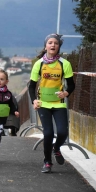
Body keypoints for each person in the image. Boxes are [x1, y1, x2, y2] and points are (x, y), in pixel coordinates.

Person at [28, 33, 75, 173]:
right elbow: (31, 86)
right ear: (45, 46)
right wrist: (34, 100)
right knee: (48, 133)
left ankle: (56, 148)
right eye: (50, 42)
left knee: (62, 132)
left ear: (59, 46)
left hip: (59, 103)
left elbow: (71, 85)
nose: (53, 45)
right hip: (43, 104)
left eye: (55, 43)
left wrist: (66, 93)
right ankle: (47, 162)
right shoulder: (39, 64)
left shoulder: (64, 64)